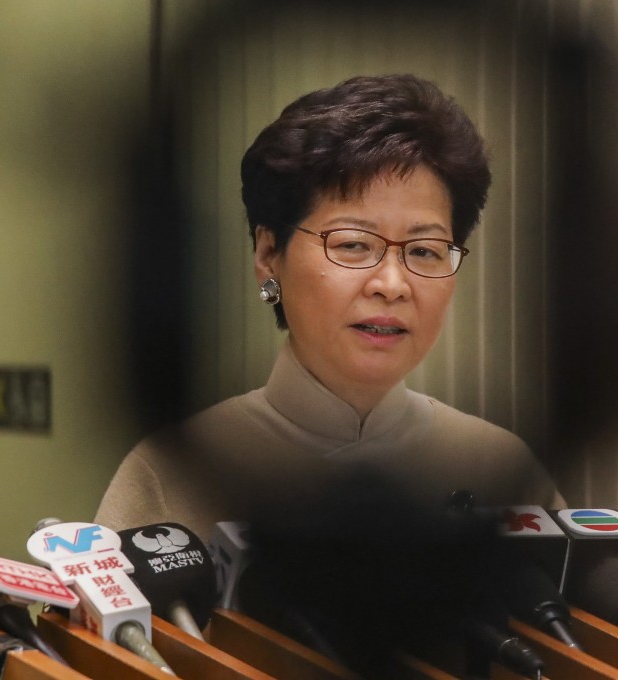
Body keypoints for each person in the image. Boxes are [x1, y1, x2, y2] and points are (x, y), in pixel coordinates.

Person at [95, 73, 564, 538]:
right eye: (353, 244)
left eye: (424, 251)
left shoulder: (504, 469)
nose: (393, 284)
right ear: (267, 254)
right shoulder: (172, 470)